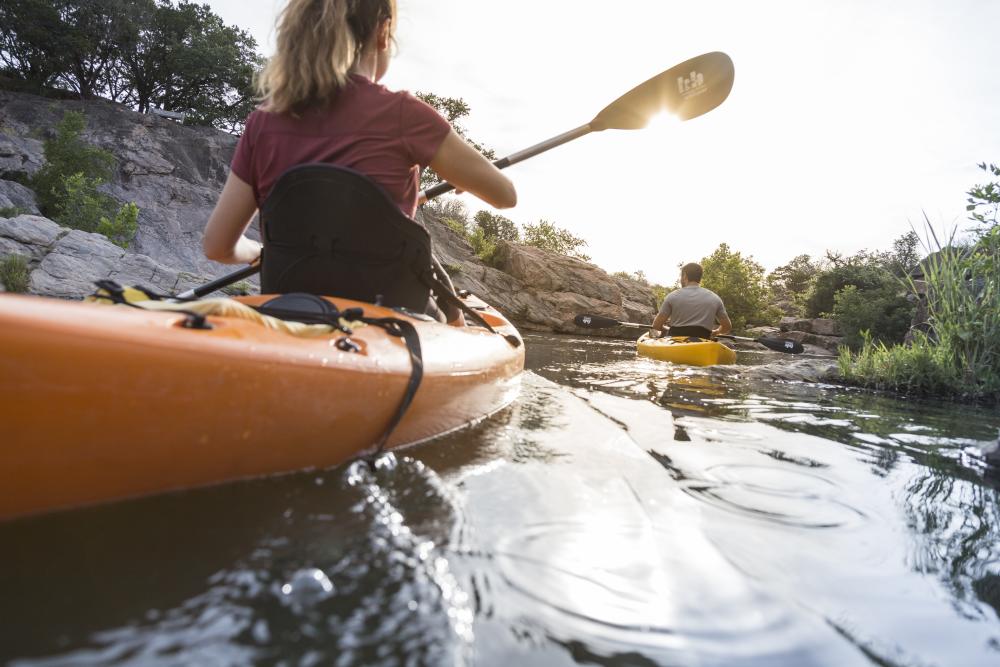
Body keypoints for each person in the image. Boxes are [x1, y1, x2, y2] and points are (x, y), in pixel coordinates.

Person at [201, 0, 516, 319]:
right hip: (392, 320)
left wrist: (260, 252)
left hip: (291, 312)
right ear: (383, 32)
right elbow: (505, 195)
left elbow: (218, 246)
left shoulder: (262, 124)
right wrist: (464, 179)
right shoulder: (405, 115)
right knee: (455, 317)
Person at [650, 262, 732, 339]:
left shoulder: (672, 296)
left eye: (681, 276)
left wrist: (667, 329)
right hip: (703, 342)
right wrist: (716, 332)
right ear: (700, 277)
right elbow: (727, 327)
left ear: (685, 276)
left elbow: (657, 325)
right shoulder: (715, 298)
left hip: (675, 343)